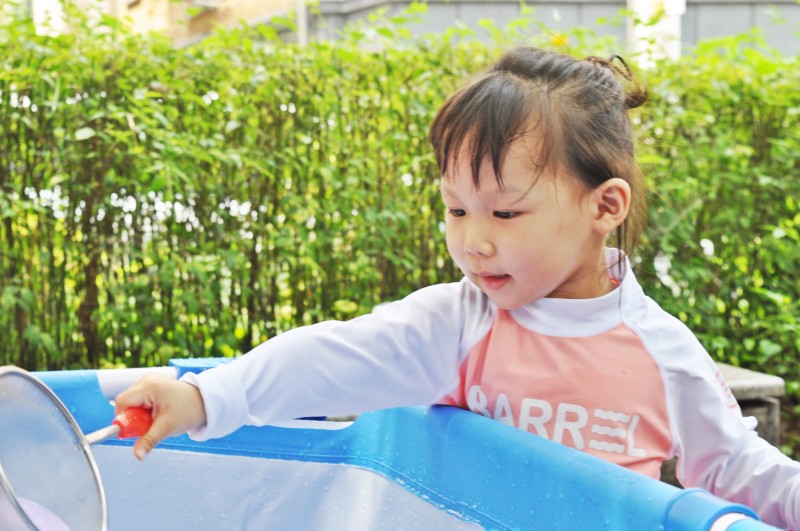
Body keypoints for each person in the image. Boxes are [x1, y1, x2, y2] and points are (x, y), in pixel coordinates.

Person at [115, 46, 800, 528]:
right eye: (456, 208)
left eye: (505, 212)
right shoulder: (463, 324)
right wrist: (207, 395)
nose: (474, 239)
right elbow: (332, 357)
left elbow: (738, 467)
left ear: (605, 206)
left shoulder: (661, 352)